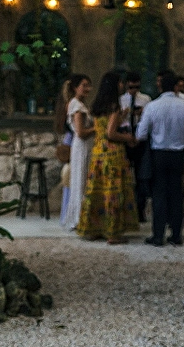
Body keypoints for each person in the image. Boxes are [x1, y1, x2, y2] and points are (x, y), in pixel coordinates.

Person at [77, 71, 139, 245]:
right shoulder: (114, 106)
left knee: (97, 191)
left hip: (98, 153)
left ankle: (95, 228)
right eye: (120, 83)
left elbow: (101, 127)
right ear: (114, 85)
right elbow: (111, 133)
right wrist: (128, 138)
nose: (123, 86)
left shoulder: (97, 105)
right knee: (113, 193)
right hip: (112, 155)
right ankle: (113, 233)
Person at [136, 69, 184, 247]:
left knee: (159, 195)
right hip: (178, 154)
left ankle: (158, 234)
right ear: (177, 86)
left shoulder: (152, 106)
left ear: (160, 85)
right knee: (176, 194)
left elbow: (141, 134)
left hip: (158, 154)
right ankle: (176, 234)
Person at [119, 71, 152, 222]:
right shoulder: (121, 100)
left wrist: (142, 113)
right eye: (131, 87)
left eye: (137, 87)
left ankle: (140, 209)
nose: (134, 90)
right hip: (125, 138)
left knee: (141, 177)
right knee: (124, 176)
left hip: (140, 139)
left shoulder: (146, 99)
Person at [64, 74, 95, 231]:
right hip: (82, 146)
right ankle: (79, 218)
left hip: (84, 146)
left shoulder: (79, 104)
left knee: (81, 180)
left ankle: (81, 217)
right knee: (81, 181)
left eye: (89, 85)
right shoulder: (77, 106)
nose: (87, 89)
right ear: (76, 87)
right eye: (84, 85)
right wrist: (97, 127)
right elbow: (81, 131)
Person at [55, 75, 82, 225]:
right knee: (72, 179)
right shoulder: (73, 105)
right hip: (72, 140)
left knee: (69, 180)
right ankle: (69, 214)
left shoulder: (65, 105)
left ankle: (66, 213)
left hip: (68, 138)